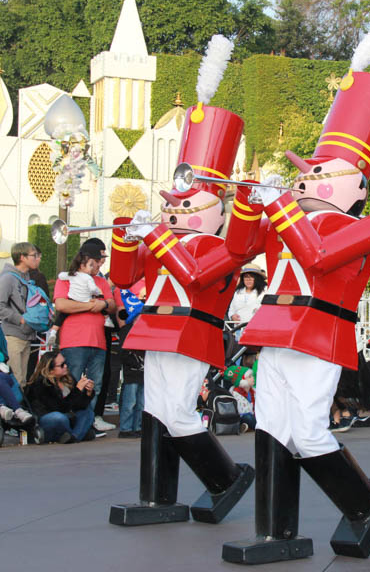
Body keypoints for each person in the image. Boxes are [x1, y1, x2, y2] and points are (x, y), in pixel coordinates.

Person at [223, 27, 370, 563]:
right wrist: (251, 203)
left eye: (321, 174)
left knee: (307, 431)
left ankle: (366, 499)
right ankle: (276, 532)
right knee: (273, 428)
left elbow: (318, 257)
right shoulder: (289, 218)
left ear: (359, 185)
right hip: (275, 329)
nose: (306, 181)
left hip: (322, 333)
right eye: (306, 174)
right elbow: (237, 248)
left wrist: (278, 207)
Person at [109, 48, 260, 531]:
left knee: (176, 412)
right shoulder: (164, 239)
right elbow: (121, 277)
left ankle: (227, 476)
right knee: (156, 411)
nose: (172, 211)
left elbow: (194, 276)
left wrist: (154, 234)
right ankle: (157, 496)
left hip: (192, 331)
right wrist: (122, 233)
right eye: (169, 204)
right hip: (155, 328)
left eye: (184, 204)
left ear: (215, 207)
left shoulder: (224, 247)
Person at [54, 240, 115, 434]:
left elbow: (111, 304)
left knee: (94, 385)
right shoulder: (66, 279)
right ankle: (67, 419)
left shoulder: (102, 281)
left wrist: (103, 305)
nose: (101, 264)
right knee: (70, 381)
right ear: (89, 260)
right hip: (74, 340)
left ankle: (87, 422)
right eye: (99, 260)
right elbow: (62, 305)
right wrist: (91, 306)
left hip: (98, 341)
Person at [0, 242, 42, 385]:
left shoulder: (25, 277)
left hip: (26, 334)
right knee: (16, 380)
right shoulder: (8, 278)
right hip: (13, 335)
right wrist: (21, 320)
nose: (37, 258)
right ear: (22, 257)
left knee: (23, 380)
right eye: (33, 255)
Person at [25, 351, 95, 443]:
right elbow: (59, 408)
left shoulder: (67, 379)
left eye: (65, 363)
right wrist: (77, 390)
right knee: (59, 418)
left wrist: (88, 393)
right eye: (62, 365)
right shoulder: (41, 384)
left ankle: (73, 437)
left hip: (67, 418)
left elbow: (79, 406)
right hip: (46, 420)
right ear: (50, 370)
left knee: (88, 413)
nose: (65, 366)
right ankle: (78, 434)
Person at [54, 250, 104, 328]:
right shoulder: (88, 278)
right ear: (82, 266)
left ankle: (54, 330)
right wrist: (98, 294)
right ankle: (107, 320)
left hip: (73, 299)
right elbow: (93, 289)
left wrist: (70, 274)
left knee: (61, 317)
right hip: (85, 301)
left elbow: (61, 275)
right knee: (103, 309)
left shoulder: (73, 275)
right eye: (90, 265)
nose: (93, 267)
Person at [116, 321, 144, 438]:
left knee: (141, 403)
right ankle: (125, 428)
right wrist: (135, 363)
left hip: (143, 372)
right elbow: (122, 352)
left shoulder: (144, 330)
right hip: (131, 372)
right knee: (130, 402)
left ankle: (137, 427)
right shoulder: (126, 330)